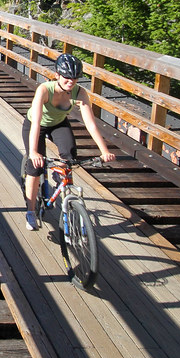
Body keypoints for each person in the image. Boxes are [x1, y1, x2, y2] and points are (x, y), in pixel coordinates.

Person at [23, 53, 115, 230]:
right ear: (57, 74)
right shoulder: (44, 89)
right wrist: (34, 152)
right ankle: (31, 211)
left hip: (58, 123)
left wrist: (104, 151)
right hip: (36, 124)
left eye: (74, 78)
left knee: (70, 154)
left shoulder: (79, 92)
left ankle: (60, 175)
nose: (70, 81)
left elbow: (91, 124)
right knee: (34, 167)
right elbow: (36, 122)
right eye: (66, 77)